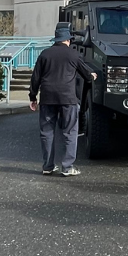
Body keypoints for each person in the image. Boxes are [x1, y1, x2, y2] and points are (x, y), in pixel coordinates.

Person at [30, 24, 97, 177]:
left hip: (47, 98)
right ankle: (67, 167)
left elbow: (35, 78)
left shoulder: (45, 54)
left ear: (56, 39)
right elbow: (86, 75)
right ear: (68, 40)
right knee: (70, 132)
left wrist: (32, 97)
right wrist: (92, 75)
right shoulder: (73, 55)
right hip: (68, 99)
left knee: (47, 132)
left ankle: (48, 166)